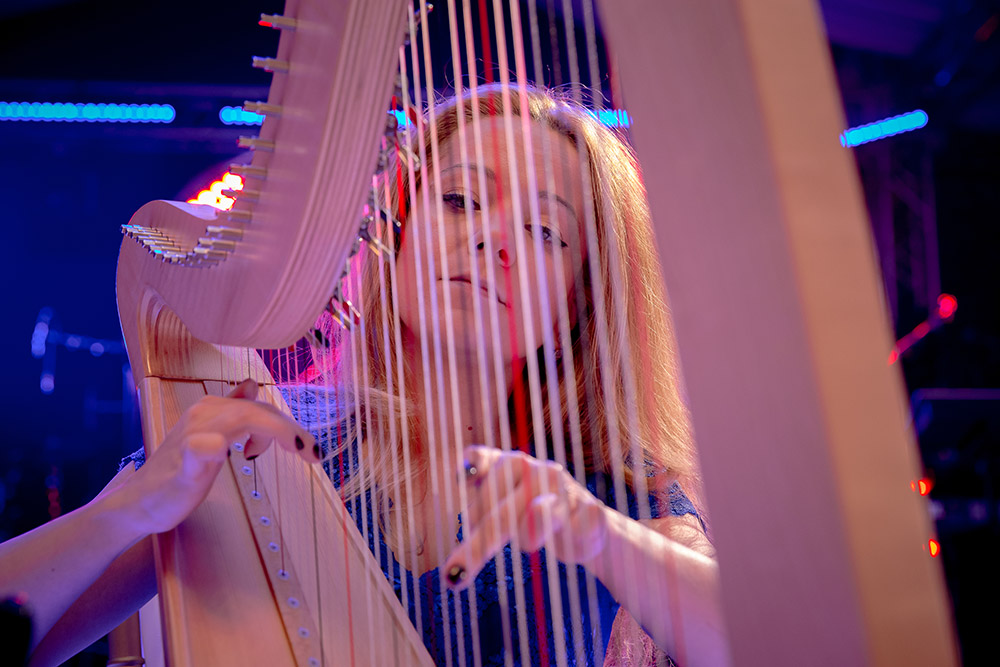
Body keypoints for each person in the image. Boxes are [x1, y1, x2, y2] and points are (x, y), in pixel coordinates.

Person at [0, 84, 727, 667]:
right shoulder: (257, 438)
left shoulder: (620, 493)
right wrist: (127, 509)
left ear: (581, 298)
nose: (491, 237)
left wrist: (599, 534)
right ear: (393, 234)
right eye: (459, 200)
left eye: (543, 230)